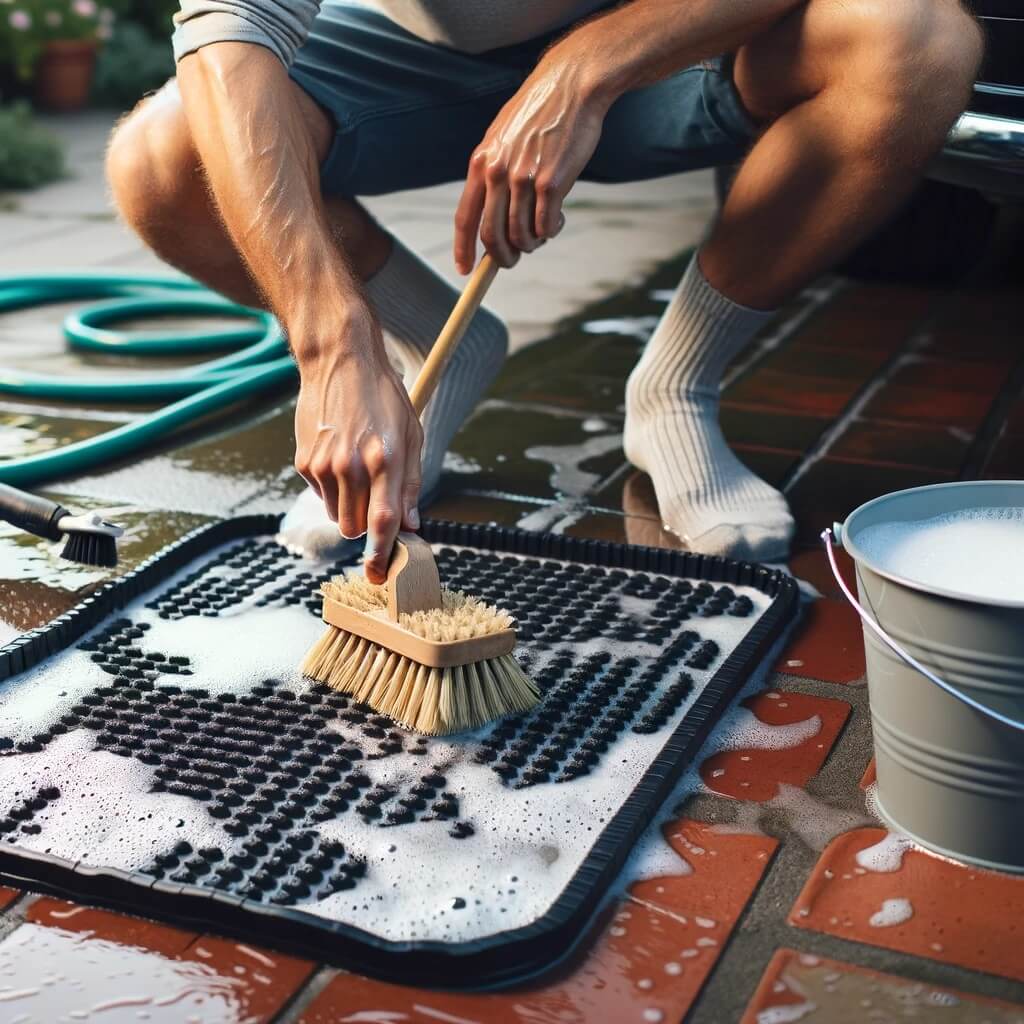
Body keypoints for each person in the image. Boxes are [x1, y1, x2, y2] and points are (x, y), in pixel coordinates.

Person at [106, 0, 983, 582]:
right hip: (411, 56)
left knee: (917, 37)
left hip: (670, 40)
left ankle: (676, 387)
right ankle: (433, 353)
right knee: (162, 156)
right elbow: (231, 34)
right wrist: (333, 344)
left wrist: (586, 67)